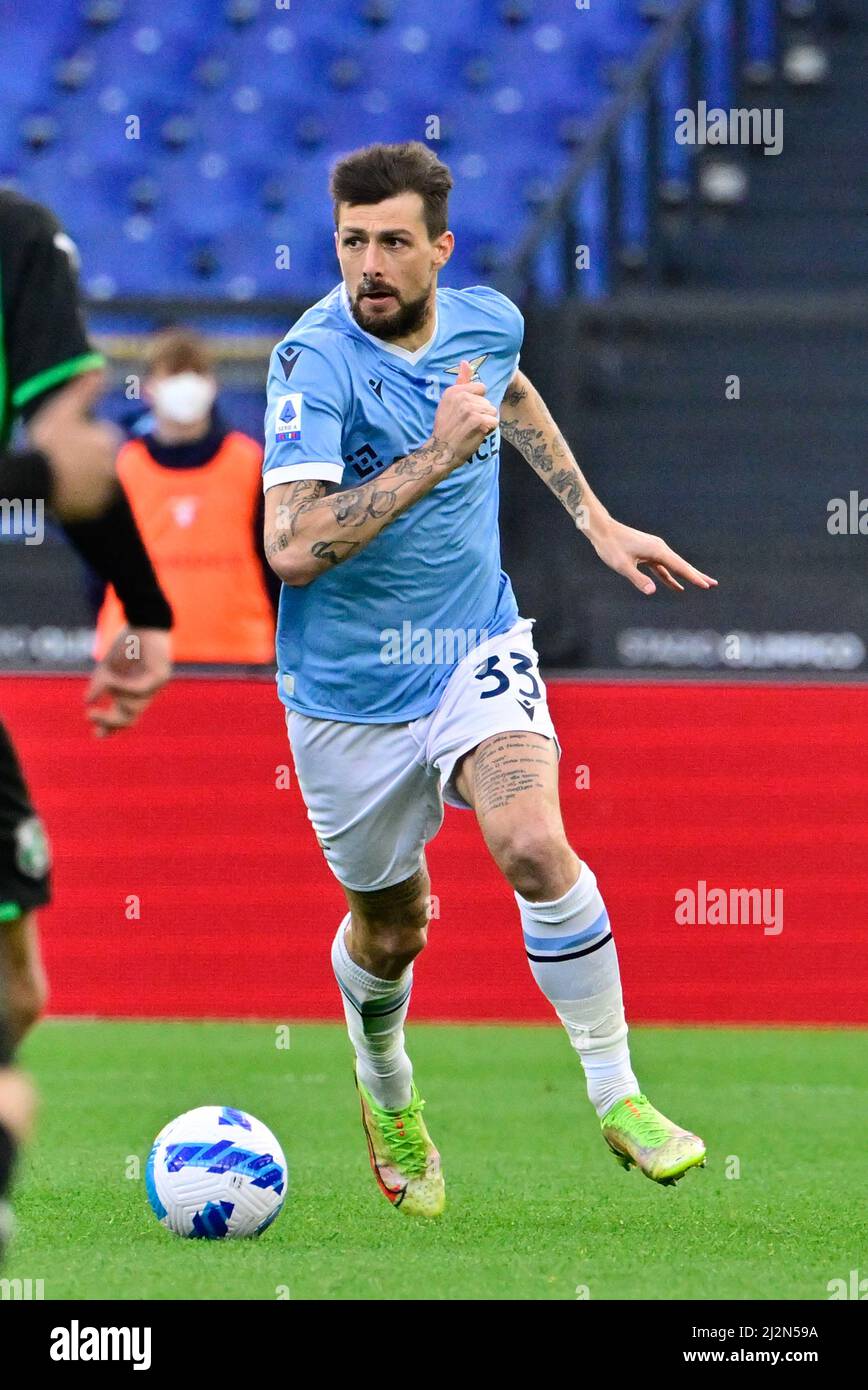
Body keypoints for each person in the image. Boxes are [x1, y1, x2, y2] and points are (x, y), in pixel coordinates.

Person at [262, 143, 718, 1217]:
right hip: (345, 695)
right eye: (351, 241)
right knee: (393, 927)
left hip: (473, 647)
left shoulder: (487, 318)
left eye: (391, 242)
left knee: (528, 840)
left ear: (440, 248)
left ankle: (620, 1096)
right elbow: (288, 545)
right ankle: (386, 1087)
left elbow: (507, 388)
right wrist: (430, 455)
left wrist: (595, 519)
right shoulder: (310, 362)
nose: (368, 264)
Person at [0, 190, 173, 1258]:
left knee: (19, 986)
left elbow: (74, 456)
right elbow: (73, 461)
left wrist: (143, 607)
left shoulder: (13, 238)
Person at [96, 328, 277, 665]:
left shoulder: (249, 462)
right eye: (174, 372)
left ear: (212, 385)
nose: (185, 384)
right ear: (149, 388)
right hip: (138, 655)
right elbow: (99, 565)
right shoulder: (124, 466)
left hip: (238, 651)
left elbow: (275, 561)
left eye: (195, 372)